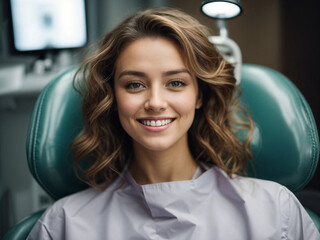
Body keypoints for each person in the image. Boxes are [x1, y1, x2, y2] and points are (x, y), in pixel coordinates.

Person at [27, 7, 320, 240]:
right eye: (134, 85)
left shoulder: (275, 211)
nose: (155, 101)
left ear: (199, 95)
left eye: (176, 83)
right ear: (113, 97)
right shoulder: (64, 226)